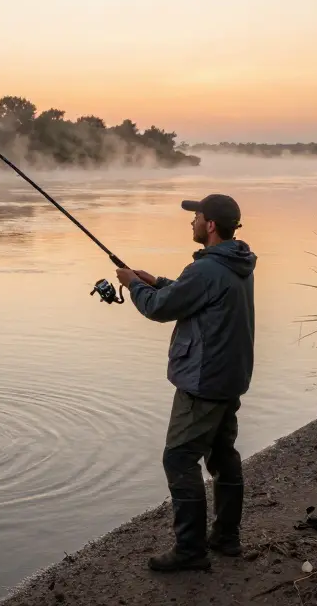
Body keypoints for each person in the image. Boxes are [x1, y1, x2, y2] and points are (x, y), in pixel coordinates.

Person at [114, 194, 257, 572]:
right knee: (223, 455)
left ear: (210, 225)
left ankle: (191, 551)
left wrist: (133, 285)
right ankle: (226, 537)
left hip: (203, 381)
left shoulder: (207, 269)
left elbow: (160, 309)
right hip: (230, 377)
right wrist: (157, 281)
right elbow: (196, 295)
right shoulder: (236, 261)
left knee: (178, 458)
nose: (191, 222)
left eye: (196, 217)